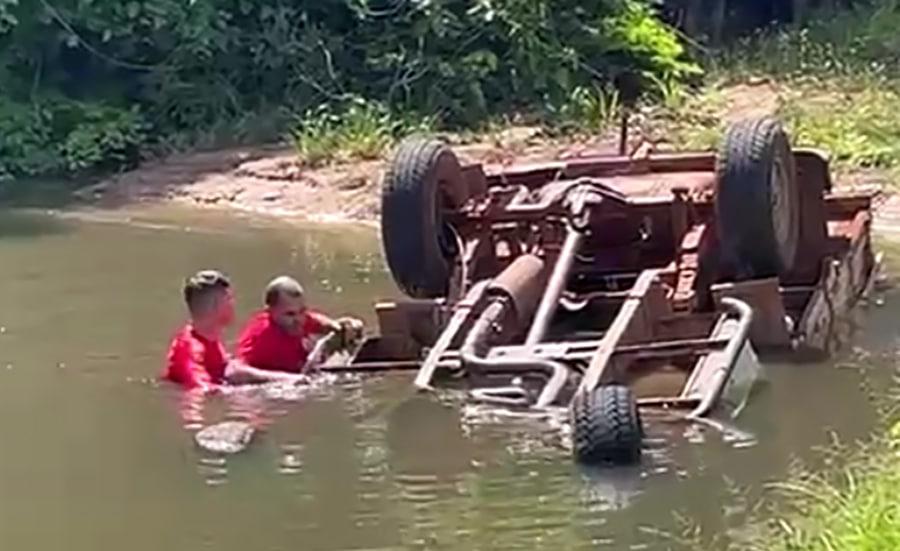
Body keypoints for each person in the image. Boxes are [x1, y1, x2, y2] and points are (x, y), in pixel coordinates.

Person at [164, 270, 315, 392]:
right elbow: (201, 394)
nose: (233, 304)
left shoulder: (209, 338)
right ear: (216, 305)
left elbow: (230, 371)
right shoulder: (190, 349)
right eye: (229, 299)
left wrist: (283, 380)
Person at [236, 275, 362, 373]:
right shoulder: (262, 339)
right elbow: (238, 372)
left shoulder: (294, 320)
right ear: (269, 312)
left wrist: (337, 326)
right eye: (290, 314)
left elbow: (314, 319)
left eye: (301, 311)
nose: (299, 320)